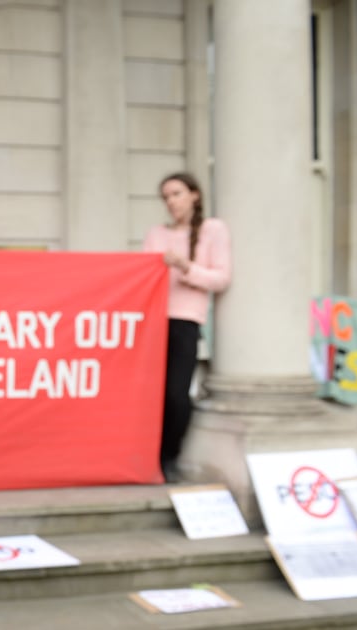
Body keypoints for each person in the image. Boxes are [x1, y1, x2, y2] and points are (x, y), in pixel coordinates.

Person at [143, 172, 232, 482]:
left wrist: (185, 267)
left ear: (194, 195)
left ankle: (169, 456)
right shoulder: (156, 234)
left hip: (185, 321)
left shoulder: (212, 230)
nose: (171, 202)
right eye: (166, 196)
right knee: (147, 393)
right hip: (152, 322)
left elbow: (221, 278)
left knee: (177, 394)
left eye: (176, 193)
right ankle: (146, 456)